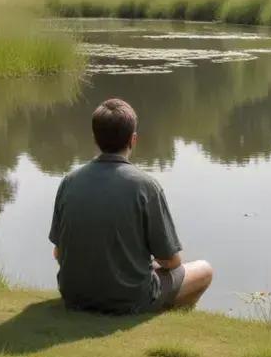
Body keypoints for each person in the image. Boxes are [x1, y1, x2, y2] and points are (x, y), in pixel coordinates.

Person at [48, 98, 213, 315]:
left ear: (95, 139)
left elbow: (58, 253)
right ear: (133, 140)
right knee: (204, 270)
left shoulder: (69, 182)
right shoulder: (146, 186)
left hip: (73, 294)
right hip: (128, 298)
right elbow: (171, 261)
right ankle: (170, 315)